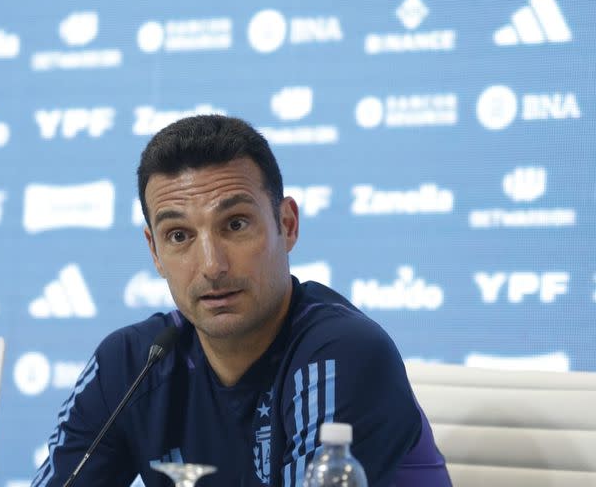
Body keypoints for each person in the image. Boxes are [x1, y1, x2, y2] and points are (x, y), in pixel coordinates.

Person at [31, 115, 451, 487]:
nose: (212, 265)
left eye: (235, 224)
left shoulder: (342, 353)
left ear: (286, 225)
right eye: (179, 236)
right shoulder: (130, 366)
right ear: (155, 251)